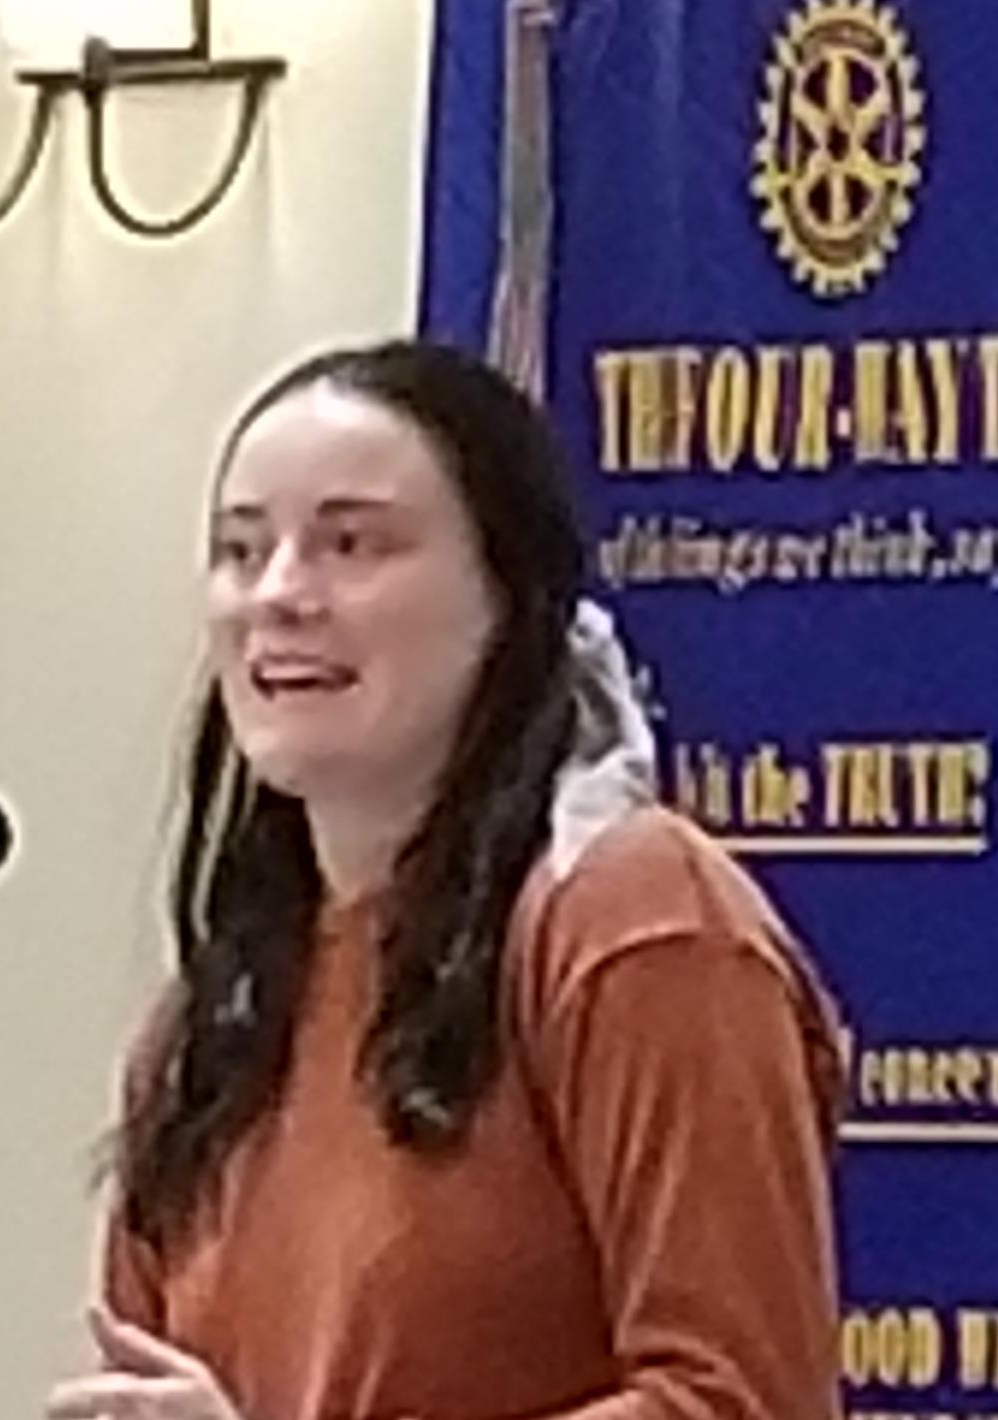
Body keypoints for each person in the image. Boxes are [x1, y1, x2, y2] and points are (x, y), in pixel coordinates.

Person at [46, 341, 844, 1420]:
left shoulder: (634, 918)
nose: (278, 594)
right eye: (240, 550)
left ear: (507, 596)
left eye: (351, 543)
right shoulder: (209, 1027)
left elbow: (738, 1398)